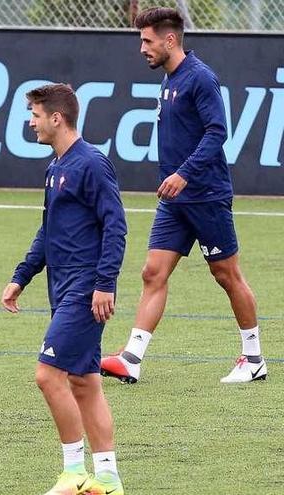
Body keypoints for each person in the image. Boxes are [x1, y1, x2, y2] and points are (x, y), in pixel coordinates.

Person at [100, 7, 266, 385]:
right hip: (175, 201)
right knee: (152, 272)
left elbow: (217, 133)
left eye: (147, 41)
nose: (142, 48)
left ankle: (254, 358)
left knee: (227, 275)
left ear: (169, 39)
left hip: (205, 195)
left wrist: (183, 175)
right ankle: (131, 358)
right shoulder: (170, 80)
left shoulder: (200, 78)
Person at [1, 84, 126, 495]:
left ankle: (74, 472)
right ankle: (107, 478)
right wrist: (22, 276)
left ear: (57, 118)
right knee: (85, 382)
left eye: (35, 114)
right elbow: (48, 229)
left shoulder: (91, 163)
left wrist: (104, 283)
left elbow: (115, 225)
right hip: (63, 288)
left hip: (84, 289)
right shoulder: (55, 167)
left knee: (47, 375)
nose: (30, 121)